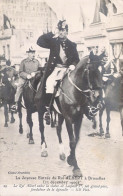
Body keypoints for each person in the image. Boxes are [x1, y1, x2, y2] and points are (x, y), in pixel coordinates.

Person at [36, 20, 80, 115]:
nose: (61, 32)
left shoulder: (72, 45)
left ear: (67, 32)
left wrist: (73, 65)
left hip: (67, 69)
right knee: (49, 83)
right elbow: (39, 42)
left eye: (63, 30)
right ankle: (48, 108)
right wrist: (51, 32)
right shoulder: (53, 42)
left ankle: (83, 107)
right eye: (59, 30)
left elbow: (77, 59)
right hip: (55, 69)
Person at [11, 47, 41, 111]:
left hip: (35, 78)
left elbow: (40, 70)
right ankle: (16, 103)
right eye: (31, 53)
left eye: (34, 53)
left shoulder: (37, 61)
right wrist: (27, 75)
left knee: (42, 86)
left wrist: (35, 73)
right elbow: (20, 72)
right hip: (25, 78)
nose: (33, 54)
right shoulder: (23, 62)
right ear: (28, 54)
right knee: (20, 87)